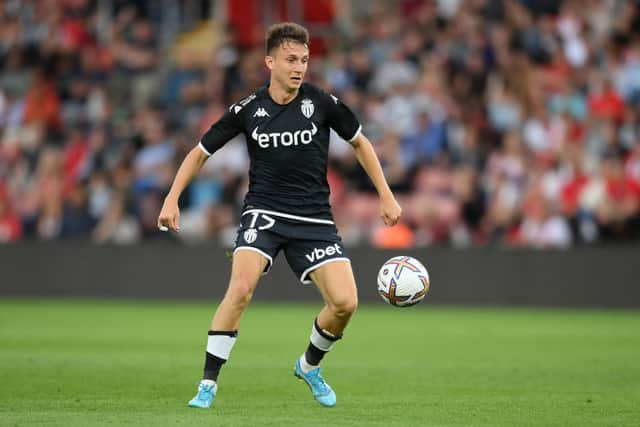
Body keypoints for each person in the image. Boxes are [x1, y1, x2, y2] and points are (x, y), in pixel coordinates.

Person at [157, 22, 402, 409]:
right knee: (240, 289)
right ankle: (207, 384)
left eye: (304, 59)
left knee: (346, 304)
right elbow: (199, 152)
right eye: (291, 59)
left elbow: (361, 143)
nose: (299, 67)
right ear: (269, 61)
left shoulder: (321, 103)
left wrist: (386, 196)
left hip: (315, 219)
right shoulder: (248, 109)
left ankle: (309, 365)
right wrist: (172, 198)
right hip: (263, 214)